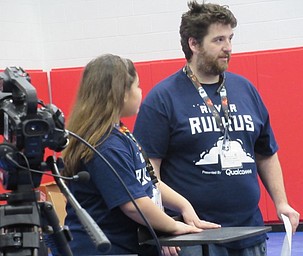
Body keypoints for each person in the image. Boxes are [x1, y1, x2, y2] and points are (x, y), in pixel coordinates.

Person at [133, 1, 300, 256]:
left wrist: (281, 202)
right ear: (194, 44)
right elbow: (148, 173)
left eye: (231, 38)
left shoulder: (246, 90)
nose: (228, 48)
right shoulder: (162, 99)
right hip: (194, 235)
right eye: (219, 40)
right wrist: (164, 226)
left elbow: (265, 153)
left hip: (248, 232)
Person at [61, 53, 219, 256]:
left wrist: (183, 205)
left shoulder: (119, 133)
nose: (140, 91)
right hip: (107, 249)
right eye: (137, 86)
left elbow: (146, 181)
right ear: (122, 93)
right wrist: (172, 226)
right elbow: (134, 205)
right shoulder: (105, 145)